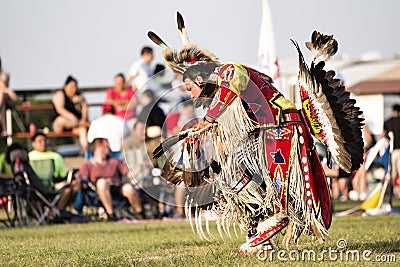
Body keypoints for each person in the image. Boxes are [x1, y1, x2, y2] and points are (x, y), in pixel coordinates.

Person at [149, 14, 364, 254]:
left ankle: (264, 232)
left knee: (256, 186)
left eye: (190, 88)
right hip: (270, 134)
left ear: (199, 78)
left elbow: (238, 82)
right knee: (235, 181)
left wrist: (208, 119)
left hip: (282, 132)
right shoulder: (222, 86)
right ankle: (260, 236)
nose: (190, 95)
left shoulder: (229, 71)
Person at [78, 137, 145, 221]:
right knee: (102, 182)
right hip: (99, 191)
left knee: (128, 188)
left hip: (117, 188)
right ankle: (111, 214)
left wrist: (138, 169)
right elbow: (82, 179)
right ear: (99, 146)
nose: (109, 148)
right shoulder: (88, 165)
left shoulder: (114, 161)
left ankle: (140, 213)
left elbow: (128, 174)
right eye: (107, 146)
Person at [29, 132, 76, 210]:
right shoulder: (28, 157)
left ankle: (56, 213)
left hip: (53, 186)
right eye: (40, 141)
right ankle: (42, 213)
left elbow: (62, 175)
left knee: (69, 189)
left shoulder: (56, 156)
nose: (43, 143)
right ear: (33, 143)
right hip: (35, 187)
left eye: (45, 141)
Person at [52, 75, 88, 151]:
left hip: (75, 126)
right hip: (61, 124)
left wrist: (83, 119)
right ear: (65, 86)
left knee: (83, 130)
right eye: (71, 87)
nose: (73, 89)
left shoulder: (80, 96)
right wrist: (72, 118)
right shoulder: (60, 94)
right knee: (61, 120)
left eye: (75, 87)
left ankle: (84, 152)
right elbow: (60, 109)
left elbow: (85, 109)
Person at [382, 104, 400, 198]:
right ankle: (398, 191)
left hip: (392, 151)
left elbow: (383, 135)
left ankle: (391, 190)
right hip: (399, 150)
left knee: (392, 172)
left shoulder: (387, 122)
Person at [0, 59, 17, 136]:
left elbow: (3, 88)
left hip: (6, 100)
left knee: (2, 100)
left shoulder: (4, 74)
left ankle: (5, 129)